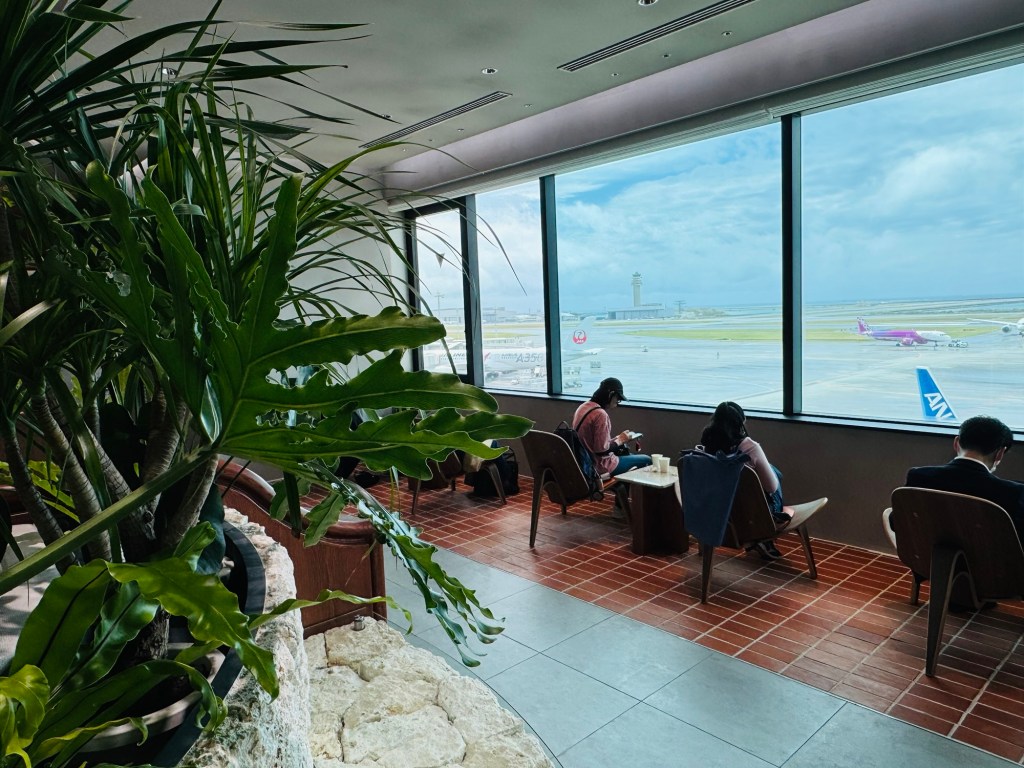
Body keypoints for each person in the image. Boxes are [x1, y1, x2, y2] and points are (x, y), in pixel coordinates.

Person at [884, 415, 1024, 548]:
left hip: (929, 562)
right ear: (1000, 453)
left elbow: (897, 523)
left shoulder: (919, 476)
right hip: (988, 565)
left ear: (956, 443)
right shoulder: (1013, 493)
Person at [700, 401, 789, 558]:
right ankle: (767, 532)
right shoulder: (750, 447)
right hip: (755, 516)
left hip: (725, 513)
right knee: (774, 473)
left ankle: (759, 539)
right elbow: (771, 487)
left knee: (768, 471)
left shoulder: (706, 450)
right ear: (740, 422)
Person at [572, 377, 652, 478]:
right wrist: (620, 441)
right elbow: (601, 451)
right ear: (611, 395)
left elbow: (593, 443)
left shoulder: (583, 407)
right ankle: (627, 487)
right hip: (600, 466)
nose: (617, 403)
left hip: (584, 462)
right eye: (618, 399)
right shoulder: (600, 415)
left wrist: (618, 439)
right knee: (647, 460)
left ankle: (623, 487)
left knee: (631, 457)